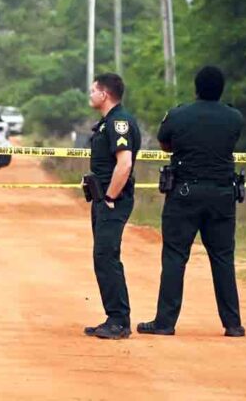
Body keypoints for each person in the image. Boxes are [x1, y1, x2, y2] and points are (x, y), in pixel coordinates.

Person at [137, 65, 246, 337]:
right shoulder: (234, 117)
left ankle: (165, 322)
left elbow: (165, 143)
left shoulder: (179, 114)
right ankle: (232, 324)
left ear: (196, 88)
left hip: (185, 193)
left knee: (175, 256)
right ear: (221, 90)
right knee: (222, 257)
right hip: (222, 195)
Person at [82, 73, 141, 340]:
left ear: (104, 94)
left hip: (112, 200)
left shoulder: (119, 123)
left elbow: (125, 163)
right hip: (103, 199)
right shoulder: (108, 122)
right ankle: (113, 317)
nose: (91, 94)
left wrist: (109, 198)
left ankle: (119, 320)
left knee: (107, 256)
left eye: (94, 90)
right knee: (102, 257)